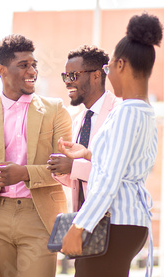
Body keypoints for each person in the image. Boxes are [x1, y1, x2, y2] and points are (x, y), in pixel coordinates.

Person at [59, 12, 163, 277]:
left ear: (120, 65)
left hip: (116, 222)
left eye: (107, 69)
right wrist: (89, 153)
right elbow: (126, 162)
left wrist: (79, 226)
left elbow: (108, 180)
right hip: (126, 223)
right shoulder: (142, 111)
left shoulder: (127, 112)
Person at [0, 34, 72, 277]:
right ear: (2, 70)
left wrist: (22, 173)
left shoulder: (55, 110)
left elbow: (64, 168)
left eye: (33, 64)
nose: (32, 70)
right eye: (23, 65)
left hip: (40, 216)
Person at [47, 45, 119, 213]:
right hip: (82, 220)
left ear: (96, 75)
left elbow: (115, 174)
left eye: (73, 75)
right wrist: (60, 169)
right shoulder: (79, 120)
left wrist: (73, 166)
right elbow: (78, 181)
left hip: (112, 220)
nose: (67, 82)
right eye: (65, 76)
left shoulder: (118, 113)